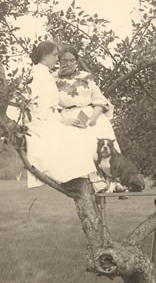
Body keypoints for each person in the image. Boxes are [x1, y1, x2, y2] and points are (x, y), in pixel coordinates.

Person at [25, 41, 102, 190]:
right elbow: (39, 106)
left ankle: (96, 178)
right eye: (56, 56)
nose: (57, 59)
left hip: (67, 115)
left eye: (71, 60)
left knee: (87, 137)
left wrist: (89, 118)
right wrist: (60, 121)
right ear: (45, 56)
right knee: (74, 137)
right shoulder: (42, 75)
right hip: (48, 119)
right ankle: (85, 178)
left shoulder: (46, 73)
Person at [54, 46, 120, 149]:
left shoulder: (86, 76)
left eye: (72, 60)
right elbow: (49, 103)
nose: (68, 64)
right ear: (59, 62)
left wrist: (93, 118)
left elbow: (99, 99)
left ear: (76, 62)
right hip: (67, 117)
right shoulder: (53, 79)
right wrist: (62, 121)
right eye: (65, 61)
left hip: (91, 115)